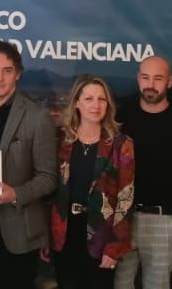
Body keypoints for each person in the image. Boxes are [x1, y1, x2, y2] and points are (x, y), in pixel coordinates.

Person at [0, 40, 60, 289]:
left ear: (18, 73)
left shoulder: (37, 116)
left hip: (18, 234)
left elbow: (48, 177)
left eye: (7, 70)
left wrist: (15, 194)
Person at [113, 55, 172, 289]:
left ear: (169, 81)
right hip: (123, 218)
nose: (150, 84)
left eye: (158, 78)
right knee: (119, 284)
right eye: (145, 77)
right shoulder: (121, 118)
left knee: (157, 285)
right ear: (138, 79)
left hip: (162, 219)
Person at [47, 75, 135, 288]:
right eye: (89, 99)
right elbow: (50, 191)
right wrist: (45, 238)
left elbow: (126, 199)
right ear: (77, 103)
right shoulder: (59, 140)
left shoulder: (121, 144)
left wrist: (115, 246)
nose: (96, 105)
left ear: (108, 105)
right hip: (63, 236)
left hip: (102, 238)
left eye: (101, 99)